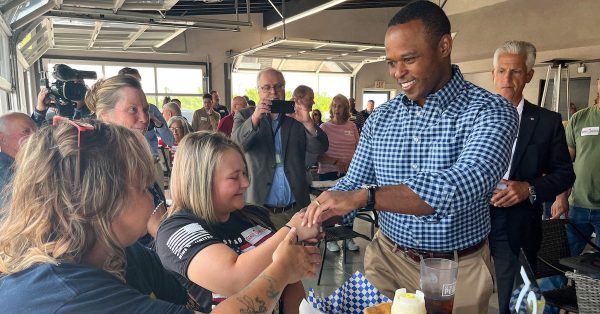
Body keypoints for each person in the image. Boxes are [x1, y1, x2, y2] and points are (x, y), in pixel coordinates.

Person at [302, 2, 519, 313]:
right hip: (387, 260)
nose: (397, 73)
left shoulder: (490, 111)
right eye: (391, 62)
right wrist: (315, 215)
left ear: (444, 46)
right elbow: (353, 184)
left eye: (408, 59)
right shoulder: (381, 119)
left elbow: (457, 187)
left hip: (456, 272)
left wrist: (365, 198)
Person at [0, 121, 320, 313]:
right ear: (102, 203)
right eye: (143, 186)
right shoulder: (69, 295)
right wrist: (281, 269)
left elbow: (187, 296)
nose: (154, 197)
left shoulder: (120, 256)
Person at [155, 131, 320, 313]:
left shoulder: (253, 214)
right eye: (235, 177)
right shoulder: (175, 230)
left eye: (245, 173)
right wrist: (292, 231)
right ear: (200, 180)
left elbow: (290, 279)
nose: (246, 183)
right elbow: (234, 279)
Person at [488, 40, 574, 314]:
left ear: (528, 75)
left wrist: (529, 189)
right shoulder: (471, 117)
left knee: (511, 301)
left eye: (514, 71)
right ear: (493, 74)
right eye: (501, 71)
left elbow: (564, 174)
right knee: (462, 295)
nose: (507, 79)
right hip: (469, 221)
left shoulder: (547, 122)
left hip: (516, 224)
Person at [232, 68, 328, 229]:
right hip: (260, 210)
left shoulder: (296, 116)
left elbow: (320, 147)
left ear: (284, 88)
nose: (273, 92)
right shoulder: (245, 115)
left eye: (278, 86)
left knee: (299, 253)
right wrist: (255, 118)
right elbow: (236, 146)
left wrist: (308, 123)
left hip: (297, 209)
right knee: (265, 254)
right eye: (267, 87)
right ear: (258, 91)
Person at [85, 74, 166, 240]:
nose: (144, 119)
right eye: (132, 110)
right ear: (104, 115)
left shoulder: (137, 161)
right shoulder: (96, 170)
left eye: (145, 110)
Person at [317, 94, 360, 252]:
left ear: (346, 109)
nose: (337, 109)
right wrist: (336, 163)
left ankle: (348, 237)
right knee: (331, 207)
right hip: (329, 173)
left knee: (350, 207)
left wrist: (351, 165)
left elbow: (359, 150)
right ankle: (331, 238)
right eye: (334, 105)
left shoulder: (352, 127)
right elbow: (318, 154)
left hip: (350, 173)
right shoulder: (324, 127)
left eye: (340, 106)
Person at [0, 112, 36, 206]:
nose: (35, 136)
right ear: (3, 139)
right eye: (26, 132)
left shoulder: (21, 164)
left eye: (35, 131)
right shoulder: (5, 174)